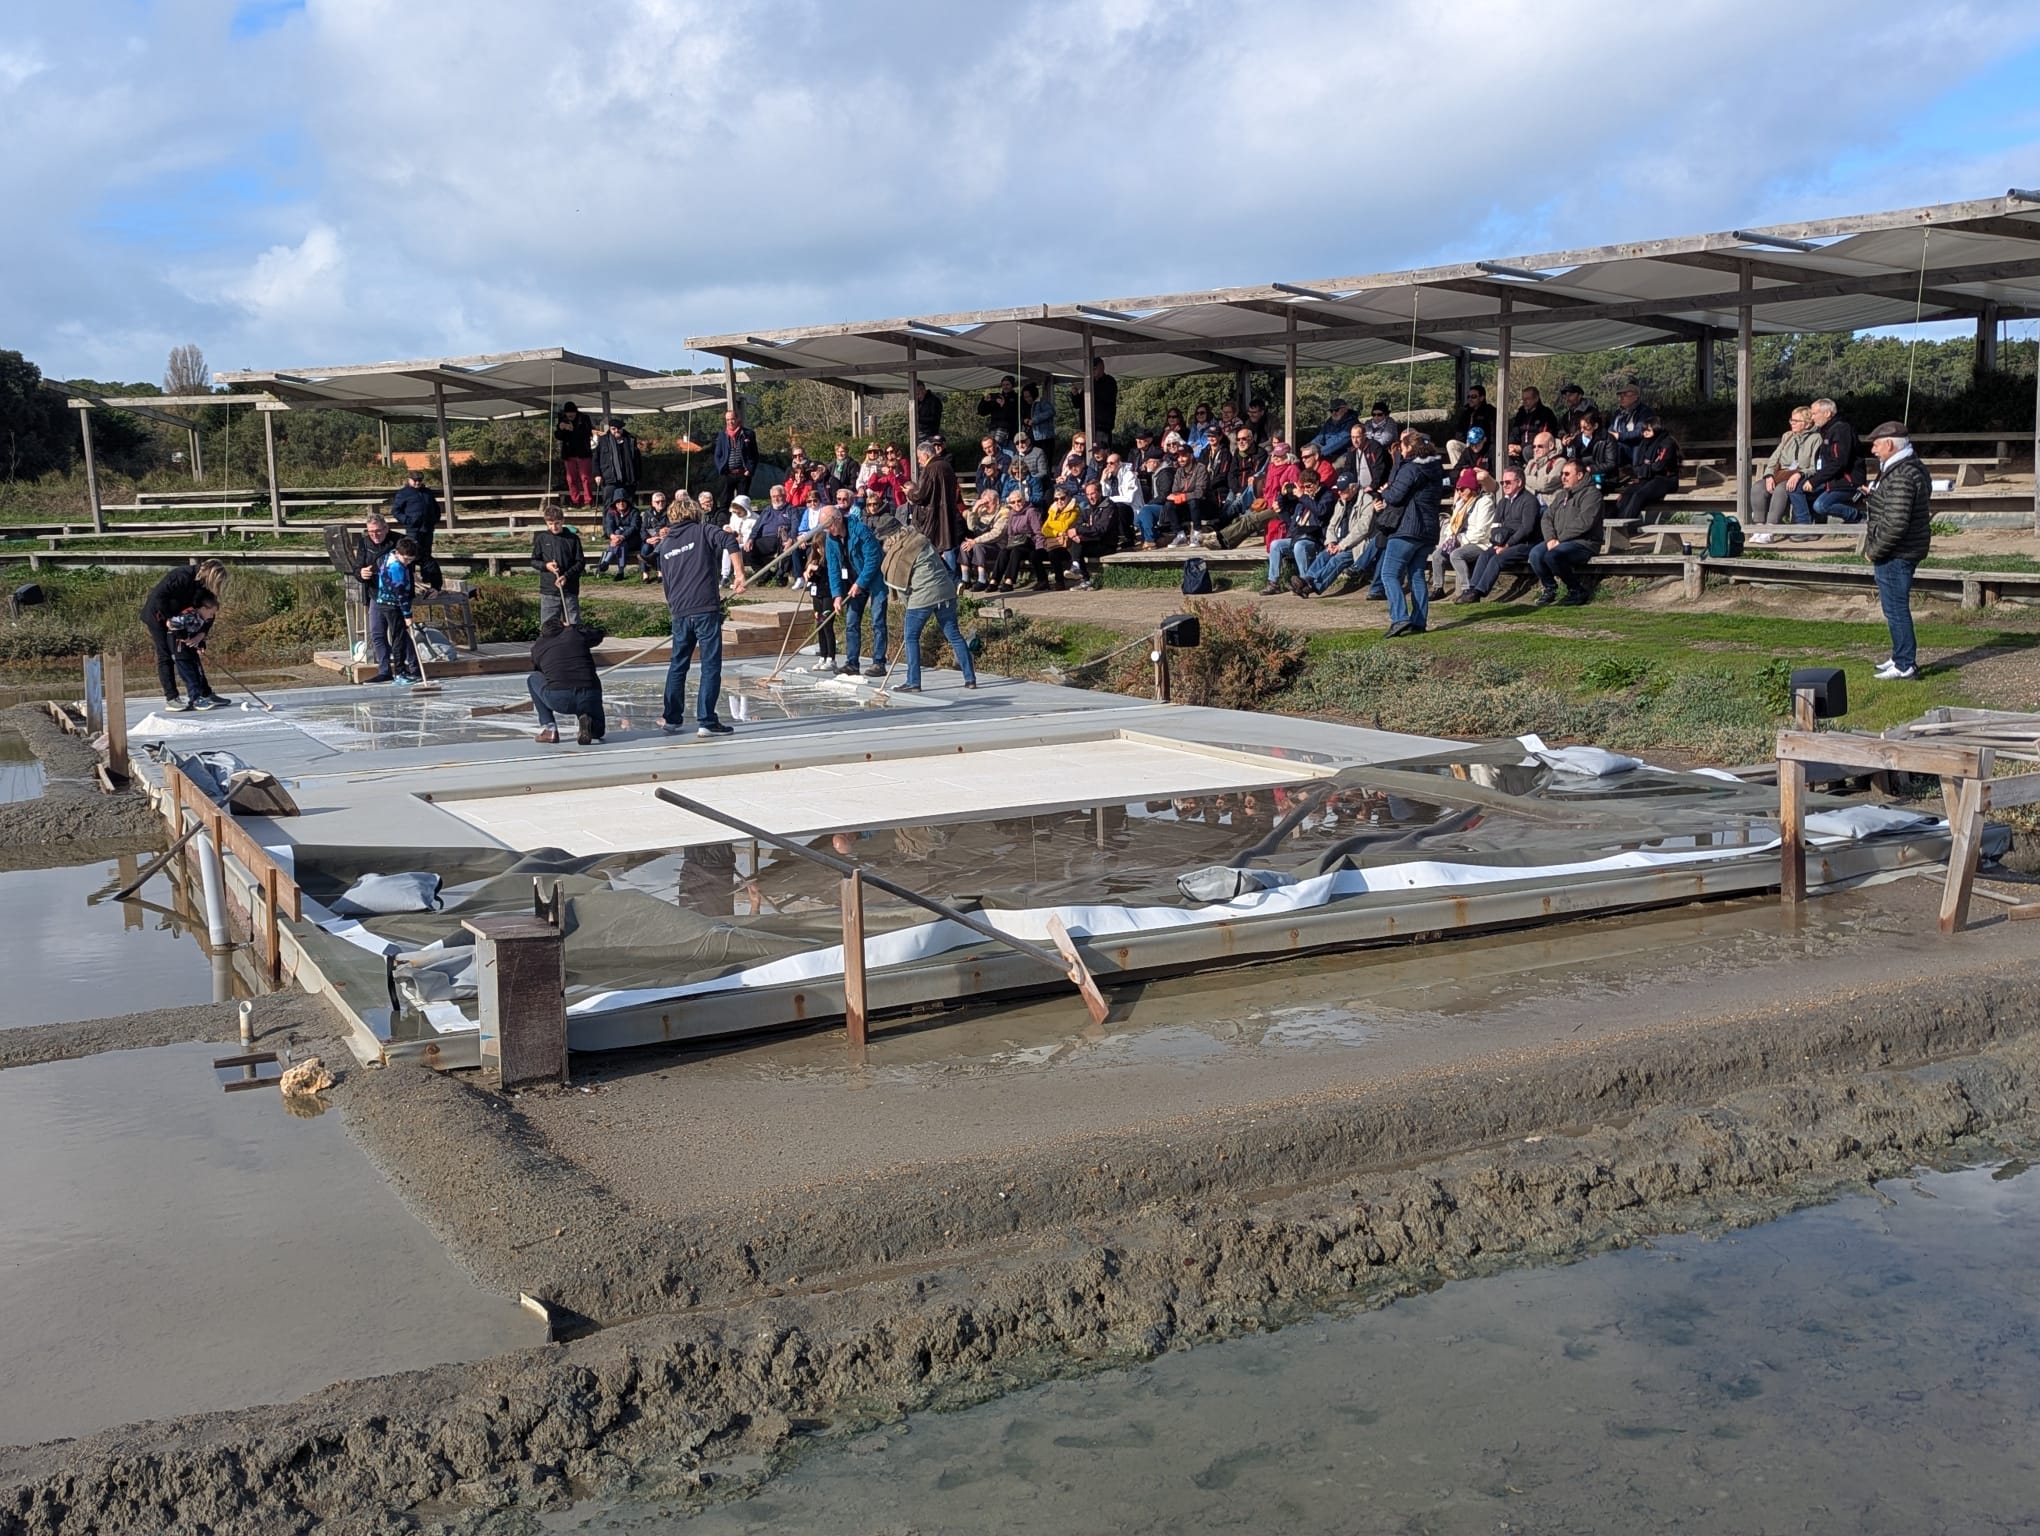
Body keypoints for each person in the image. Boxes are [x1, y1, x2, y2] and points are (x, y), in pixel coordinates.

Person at [655, 498, 746, 736]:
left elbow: (667, 584)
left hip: (680, 611)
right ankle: (706, 720)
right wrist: (739, 574)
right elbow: (729, 540)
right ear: (694, 513)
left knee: (678, 664)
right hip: (704, 608)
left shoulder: (665, 546)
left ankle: (672, 718)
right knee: (710, 664)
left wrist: (674, 606)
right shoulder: (703, 530)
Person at [1861, 421, 1933, 681]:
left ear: (1890, 444)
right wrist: (1874, 497)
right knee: (1893, 607)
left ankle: (1905, 664)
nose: (1873, 450)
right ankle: (1899, 655)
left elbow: (1897, 522)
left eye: (1876, 444)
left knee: (1895, 608)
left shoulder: (1901, 473)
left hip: (1896, 551)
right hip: (1903, 548)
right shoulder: (1908, 467)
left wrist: (1874, 551)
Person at [884, 523, 977, 693]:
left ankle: (913, 682)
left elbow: (901, 588)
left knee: (911, 636)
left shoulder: (898, 555)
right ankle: (970, 679)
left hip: (923, 596)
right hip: (946, 591)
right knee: (954, 635)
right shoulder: (922, 541)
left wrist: (909, 609)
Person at [1376, 430, 1444, 638]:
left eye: (1403, 447)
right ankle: (1419, 621)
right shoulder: (1435, 469)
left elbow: (1395, 496)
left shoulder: (1411, 468)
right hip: (1428, 530)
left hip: (1408, 528)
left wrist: (1384, 491)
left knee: (1389, 574)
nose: (1401, 450)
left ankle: (1399, 618)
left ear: (1410, 448)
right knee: (1416, 575)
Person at [139, 558, 229, 707]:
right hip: (159, 616)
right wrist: (168, 618)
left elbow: (210, 611)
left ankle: (205, 693)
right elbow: (160, 597)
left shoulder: (204, 585)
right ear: (209, 573)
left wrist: (201, 635)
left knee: (192, 651)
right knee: (166, 655)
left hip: (182, 617)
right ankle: (172, 697)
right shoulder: (181, 575)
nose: (214, 586)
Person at [1455, 465, 1543, 602]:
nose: (1504, 485)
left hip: (1524, 543)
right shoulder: (1503, 502)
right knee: (1485, 555)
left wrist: (1508, 544)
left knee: (1497, 559)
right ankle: (1471, 589)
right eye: (1502, 483)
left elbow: (1527, 528)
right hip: (1503, 542)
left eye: (1508, 482)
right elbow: (1495, 525)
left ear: (1519, 482)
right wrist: (1497, 543)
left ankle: (1479, 592)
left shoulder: (1529, 501)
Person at [821, 500, 887, 675]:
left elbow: (873, 560)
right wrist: (836, 594)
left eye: (829, 526)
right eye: (825, 528)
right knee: (851, 621)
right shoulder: (830, 539)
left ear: (838, 519)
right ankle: (852, 663)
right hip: (852, 582)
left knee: (877, 621)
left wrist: (861, 583)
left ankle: (879, 662)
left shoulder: (861, 531)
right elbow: (833, 568)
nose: (828, 531)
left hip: (874, 580)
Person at [1528, 459, 1604, 607]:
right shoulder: (1562, 494)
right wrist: (1551, 538)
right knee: (1535, 554)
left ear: (1580, 475)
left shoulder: (1592, 495)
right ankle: (1550, 588)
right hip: (1559, 540)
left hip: (1584, 543)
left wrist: (1559, 539)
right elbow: (1547, 517)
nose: (1563, 477)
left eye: (1567, 474)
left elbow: (1584, 523)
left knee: (1553, 555)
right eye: (1562, 473)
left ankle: (1576, 590)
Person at [1291, 474, 1378, 597]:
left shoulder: (1367, 501)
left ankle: (1311, 587)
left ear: (1353, 488)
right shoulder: (1341, 501)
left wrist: (1341, 546)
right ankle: (1307, 579)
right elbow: (1332, 524)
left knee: (1337, 560)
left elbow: (1362, 529)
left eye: (1343, 489)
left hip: (1358, 544)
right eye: (1338, 489)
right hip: (1340, 542)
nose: (1340, 492)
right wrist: (1331, 542)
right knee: (1323, 556)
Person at [527, 617, 607, 745]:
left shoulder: (538, 647)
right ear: (563, 626)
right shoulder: (574, 634)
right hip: (590, 694)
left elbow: (540, 671)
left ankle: (550, 729)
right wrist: (574, 627)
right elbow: (598, 634)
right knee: (598, 732)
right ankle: (591, 727)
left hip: (560, 699)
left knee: (533, 679)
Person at [1749, 407, 1822, 542]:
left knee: (1782, 489)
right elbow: (1774, 458)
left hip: (1801, 475)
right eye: (1791, 420)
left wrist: (1800, 473)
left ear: (1807, 423)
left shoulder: (1816, 439)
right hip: (1782, 473)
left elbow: (1814, 466)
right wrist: (1769, 475)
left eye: (1796, 420)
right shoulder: (1787, 436)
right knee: (1758, 488)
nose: (1792, 423)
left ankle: (1771, 529)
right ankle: (1759, 527)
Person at [1799, 397, 1864, 531]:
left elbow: (1839, 462)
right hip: (1831, 480)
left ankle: (1858, 517)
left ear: (1827, 413)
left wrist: (1815, 481)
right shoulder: (1826, 431)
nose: (1812, 418)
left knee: (1821, 505)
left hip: (1847, 482)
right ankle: (1803, 526)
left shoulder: (1841, 430)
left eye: (1815, 413)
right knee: (1795, 488)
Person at [1434, 467, 1497, 598]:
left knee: (1456, 555)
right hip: (1460, 539)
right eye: (1458, 489)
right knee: (1437, 555)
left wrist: (1460, 540)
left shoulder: (1485, 502)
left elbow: (1482, 531)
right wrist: (1450, 539)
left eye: (1462, 489)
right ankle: (1438, 588)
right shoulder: (1460, 504)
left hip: (1479, 543)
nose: (1459, 492)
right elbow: (1453, 525)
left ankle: (1467, 589)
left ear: (1471, 489)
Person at [904, 438, 965, 573]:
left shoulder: (930, 469)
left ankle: (951, 580)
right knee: (947, 547)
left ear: (925, 455)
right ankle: (954, 581)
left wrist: (910, 493)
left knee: (930, 549)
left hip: (933, 516)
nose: (919, 461)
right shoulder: (946, 466)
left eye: (919, 458)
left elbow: (921, 494)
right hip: (947, 512)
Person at [370, 537, 422, 684]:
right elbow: (401, 594)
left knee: (397, 637)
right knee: (398, 638)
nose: (408, 563)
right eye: (406, 559)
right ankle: (400, 673)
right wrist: (408, 615)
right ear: (398, 553)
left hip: (384, 603)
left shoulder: (389, 556)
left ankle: (401, 671)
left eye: (411, 560)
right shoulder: (397, 568)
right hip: (393, 605)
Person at [163, 595, 223, 711]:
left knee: (198, 672)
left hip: (190, 648)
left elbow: (196, 632)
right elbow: (172, 624)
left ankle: (201, 696)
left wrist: (200, 644)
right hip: (179, 648)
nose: (211, 617)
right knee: (189, 675)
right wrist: (185, 637)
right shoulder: (189, 615)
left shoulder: (201, 619)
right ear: (204, 609)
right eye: (211, 613)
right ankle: (195, 699)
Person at [530, 504, 585, 625]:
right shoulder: (542, 538)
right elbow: (534, 560)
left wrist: (566, 576)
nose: (554, 527)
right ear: (546, 523)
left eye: (557, 523)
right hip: (549, 590)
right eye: (550, 524)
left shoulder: (573, 539)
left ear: (563, 521)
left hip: (569, 589)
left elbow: (580, 562)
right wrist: (546, 566)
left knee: (573, 625)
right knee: (548, 627)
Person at [1617, 419, 1681, 521]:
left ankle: (1625, 525)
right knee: (1627, 494)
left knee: (1639, 495)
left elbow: (1659, 465)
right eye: (1643, 430)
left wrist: (1645, 468)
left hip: (1666, 479)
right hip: (1648, 477)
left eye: (1648, 430)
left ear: (1656, 429)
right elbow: (1638, 465)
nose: (1645, 433)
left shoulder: (1667, 443)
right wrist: (1645, 469)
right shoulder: (1644, 443)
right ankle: (1615, 522)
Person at [959, 489, 1009, 591]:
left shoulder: (1004, 512)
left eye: (988, 502)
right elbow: (971, 527)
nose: (986, 505)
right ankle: (965, 579)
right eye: (983, 502)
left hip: (998, 546)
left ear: (997, 501)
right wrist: (974, 510)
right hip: (982, 543)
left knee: (978, 546)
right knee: (964, 545)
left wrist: (975, 541)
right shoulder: (982, 511)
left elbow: (996, 534)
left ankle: (982, 579)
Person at [390, 470, 440, 563]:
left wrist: (435, 519)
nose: (417, 482)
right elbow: (396, 511)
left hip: (427, 528)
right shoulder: (403, 493)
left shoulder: (427, 492)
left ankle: (427, 576)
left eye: (419, 480)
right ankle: (410, 576)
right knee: (410, 554)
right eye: (415, 480)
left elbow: (435, 507)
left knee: (426, 555)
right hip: (413, 529)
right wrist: (407, 521)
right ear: (409, 480)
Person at [713, 410, 758, 507]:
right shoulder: (722, 435)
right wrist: (721, 468)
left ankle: (743, 521)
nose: (730, 422)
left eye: (732, 419)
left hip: (743, 474)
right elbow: (717, 455)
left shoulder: (748, 434)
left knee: (742, 503)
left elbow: (755, 455)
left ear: (738, 419)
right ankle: (724, 520)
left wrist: (750, 469)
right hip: (728, 474)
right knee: (725, 501)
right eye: (727, 420)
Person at [592, 418, 639, 509]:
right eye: (613, 429)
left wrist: (637, 476)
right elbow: (595, 459)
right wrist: (597, 474)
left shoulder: (631, 440)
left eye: (618, 428)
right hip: (609, 479)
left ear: (622, 429)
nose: (616, 431)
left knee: (628, 505)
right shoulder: (603, 440)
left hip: (628, 479)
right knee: (608, 505)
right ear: (610, 429)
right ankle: (608, 523)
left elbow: (637, 460)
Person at [555, 402, 596, 507]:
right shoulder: (563, 419)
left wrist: (573, 429)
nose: (570, 415)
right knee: (571, 479)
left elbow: (587, 433)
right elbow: (559, 436)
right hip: (569, 454)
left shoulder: (584, 418)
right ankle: (575, 501)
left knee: (585, 478)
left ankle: (588, 501)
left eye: (572, 413)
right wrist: (561, 428)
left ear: (576, 412)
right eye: (568, 413)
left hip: (583, 453)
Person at [1070, 356, 1118, 444]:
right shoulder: (1089, 382)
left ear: (1101, 367)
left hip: (1102, 426)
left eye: (1095, 368)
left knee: (1101, 453)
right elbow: (1077, 404)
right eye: (1092, 368)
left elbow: (1107, 399)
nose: (1093, 370)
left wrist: (1093, 383)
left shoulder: (1109, 381)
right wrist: (1075, 394)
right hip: (1086, 426)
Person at [1506, 387, 1560, 464]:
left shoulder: (1546, 414)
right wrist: (1511, 445)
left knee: (1527, 451)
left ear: (1536, 398)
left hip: (1536, 448)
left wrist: (1521, 447)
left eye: (1527, 399)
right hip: (1519, 448)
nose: (1525, 402)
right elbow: (1515, 431)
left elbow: (1544, 437)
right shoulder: (1520, 413)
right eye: (1523, 399)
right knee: (1503, 452)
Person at [1445, 385, 1496, 468]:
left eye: (1474, 397)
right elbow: (1459, 433)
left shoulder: (1490, 412)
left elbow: (1493, 434)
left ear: (1482, 398)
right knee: (1451, 444)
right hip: (1468, 446)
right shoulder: (1466, 412)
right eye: (1468, 397)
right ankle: (1460, 471)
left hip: (1482, 446)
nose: (1470, 399)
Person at [596, 492, 642, 580]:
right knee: (621, 543)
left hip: (633, 539)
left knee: (619, 536)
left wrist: (622, 536)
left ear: (627, 502)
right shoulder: (610, 512)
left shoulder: (634, 512)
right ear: (615, 503)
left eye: (623, 501)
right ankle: (620, 572)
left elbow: (634, 527)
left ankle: (606, 561)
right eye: (618, 502)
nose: (621, 503)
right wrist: (612, 536)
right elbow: (608, 526)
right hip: (619, 541)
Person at [1610, 384, 1654, 465]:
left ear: (1636, 397)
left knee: (1618, 447)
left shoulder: (1644, 412)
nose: (1622, 398)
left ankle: (1636, 472)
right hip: (1618, 444)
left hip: (1635, 446)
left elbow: (1640, 432)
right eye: (1620, 395)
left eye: (1625, 395)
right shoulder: (1618, 413)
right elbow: (1611, 429)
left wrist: (1619, 436)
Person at [976, 375, 1020, 443]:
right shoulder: (996, 397)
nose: (1005, 387)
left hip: (1009, 432)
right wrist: (984, 401)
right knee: (992, 449)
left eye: (1008, 384)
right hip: (993, 429)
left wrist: (1004, 405)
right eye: (1003, 385)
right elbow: (982, 412)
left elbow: (1015, 415)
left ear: (1012, 385)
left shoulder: (1017, 398)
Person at [908, 380, 944, 445]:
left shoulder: (934, 401)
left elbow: (935, 419)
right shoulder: (918, 402)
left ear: (923, 390)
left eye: (918, 394)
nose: (917, 396)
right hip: (918, 432)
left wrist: (918, 418)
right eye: (915, 394)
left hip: (929, 434)